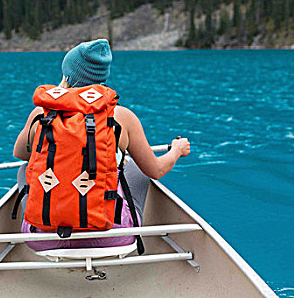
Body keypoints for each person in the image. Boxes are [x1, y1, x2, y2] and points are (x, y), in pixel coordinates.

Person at [13, 39, 190, 250]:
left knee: (26, 169)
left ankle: (37, 222)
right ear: (102, 78)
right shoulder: (122, 116)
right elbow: (156, 170)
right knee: (134, 168)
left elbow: (19, 153)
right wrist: (177, 150)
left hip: (43, 240)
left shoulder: (41, 115)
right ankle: (128, 223)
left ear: (67, 76)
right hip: (110, 237)